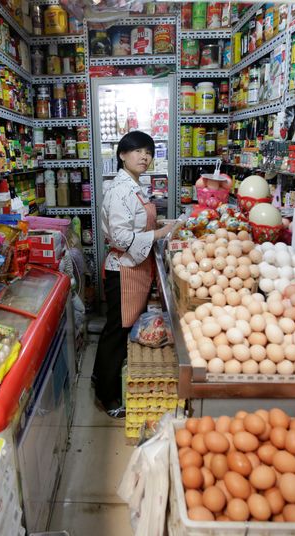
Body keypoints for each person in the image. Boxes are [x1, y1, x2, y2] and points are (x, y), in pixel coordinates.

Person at [93, 131, 173, 418]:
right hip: (123, 270)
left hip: (133, 267)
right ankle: (107, 395)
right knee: (118, 330)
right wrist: (160, 232)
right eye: (137, 151)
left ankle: (98, 377)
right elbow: (122, 236)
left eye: (148, 152)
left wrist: (159, 224)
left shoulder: (135, 185)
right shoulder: (120, 191)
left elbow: (136, 225)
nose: (144, 156)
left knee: (116, 327)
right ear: (122, 155)